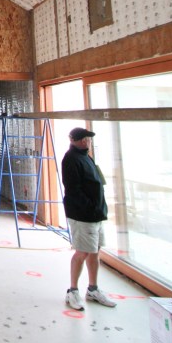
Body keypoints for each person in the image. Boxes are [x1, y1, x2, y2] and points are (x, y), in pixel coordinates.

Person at [61, 126, 117, 310]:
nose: (86, 142)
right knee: (82, 252)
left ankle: (93, 289)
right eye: (82, 139)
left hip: (95, 214)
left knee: (94, 251)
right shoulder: (71, 159)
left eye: (88, 139)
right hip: (83, 215)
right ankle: (73, 291)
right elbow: (73, 190)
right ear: (73, 141)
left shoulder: (87, 157)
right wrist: (89, 207)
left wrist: (98, 208)